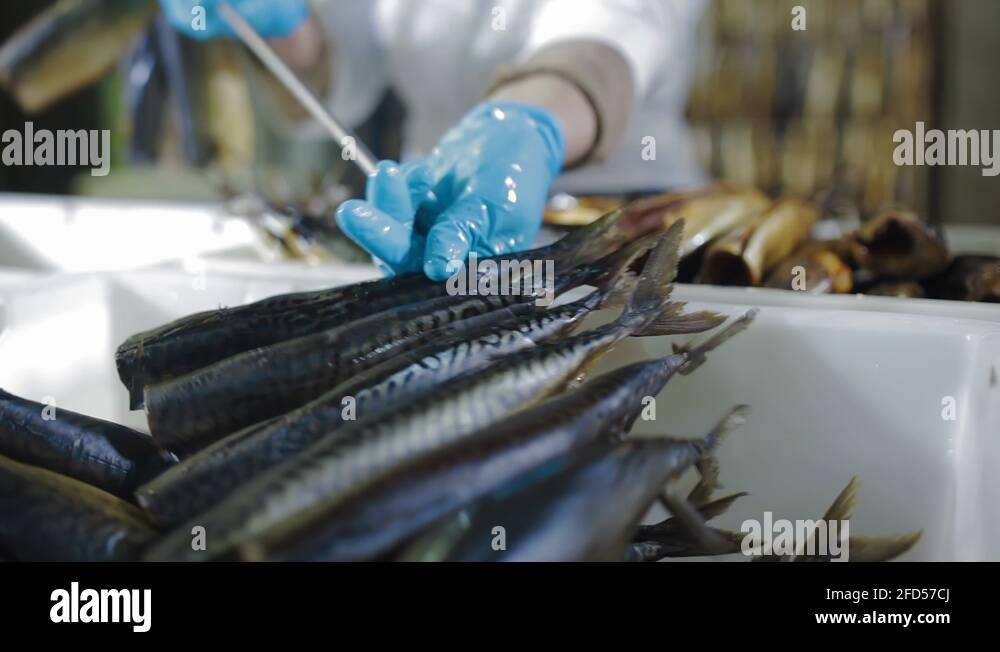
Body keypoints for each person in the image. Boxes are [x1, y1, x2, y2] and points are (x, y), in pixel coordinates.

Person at [159, 0, 706, 279]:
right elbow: (345, 69)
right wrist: (282, 23)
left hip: (626, 225)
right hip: (430, 216)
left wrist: (525, 126)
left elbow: (611, 32)